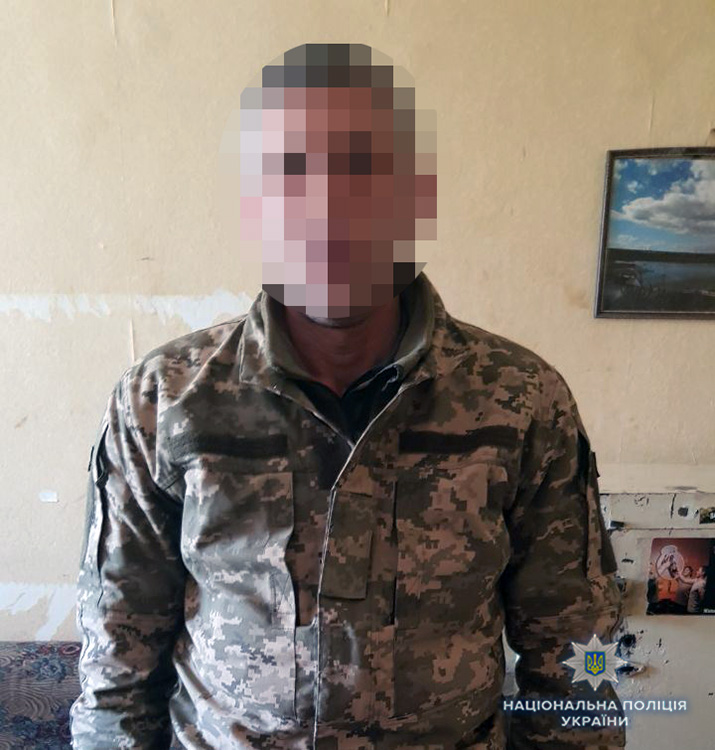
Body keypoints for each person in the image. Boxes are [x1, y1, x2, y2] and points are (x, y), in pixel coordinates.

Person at [70, 43, 625, 750]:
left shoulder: (521, 401)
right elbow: (118, 662)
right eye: (293, 170)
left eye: (364, 167)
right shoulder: (164, 400)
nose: (330, 204)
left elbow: (576, 657)